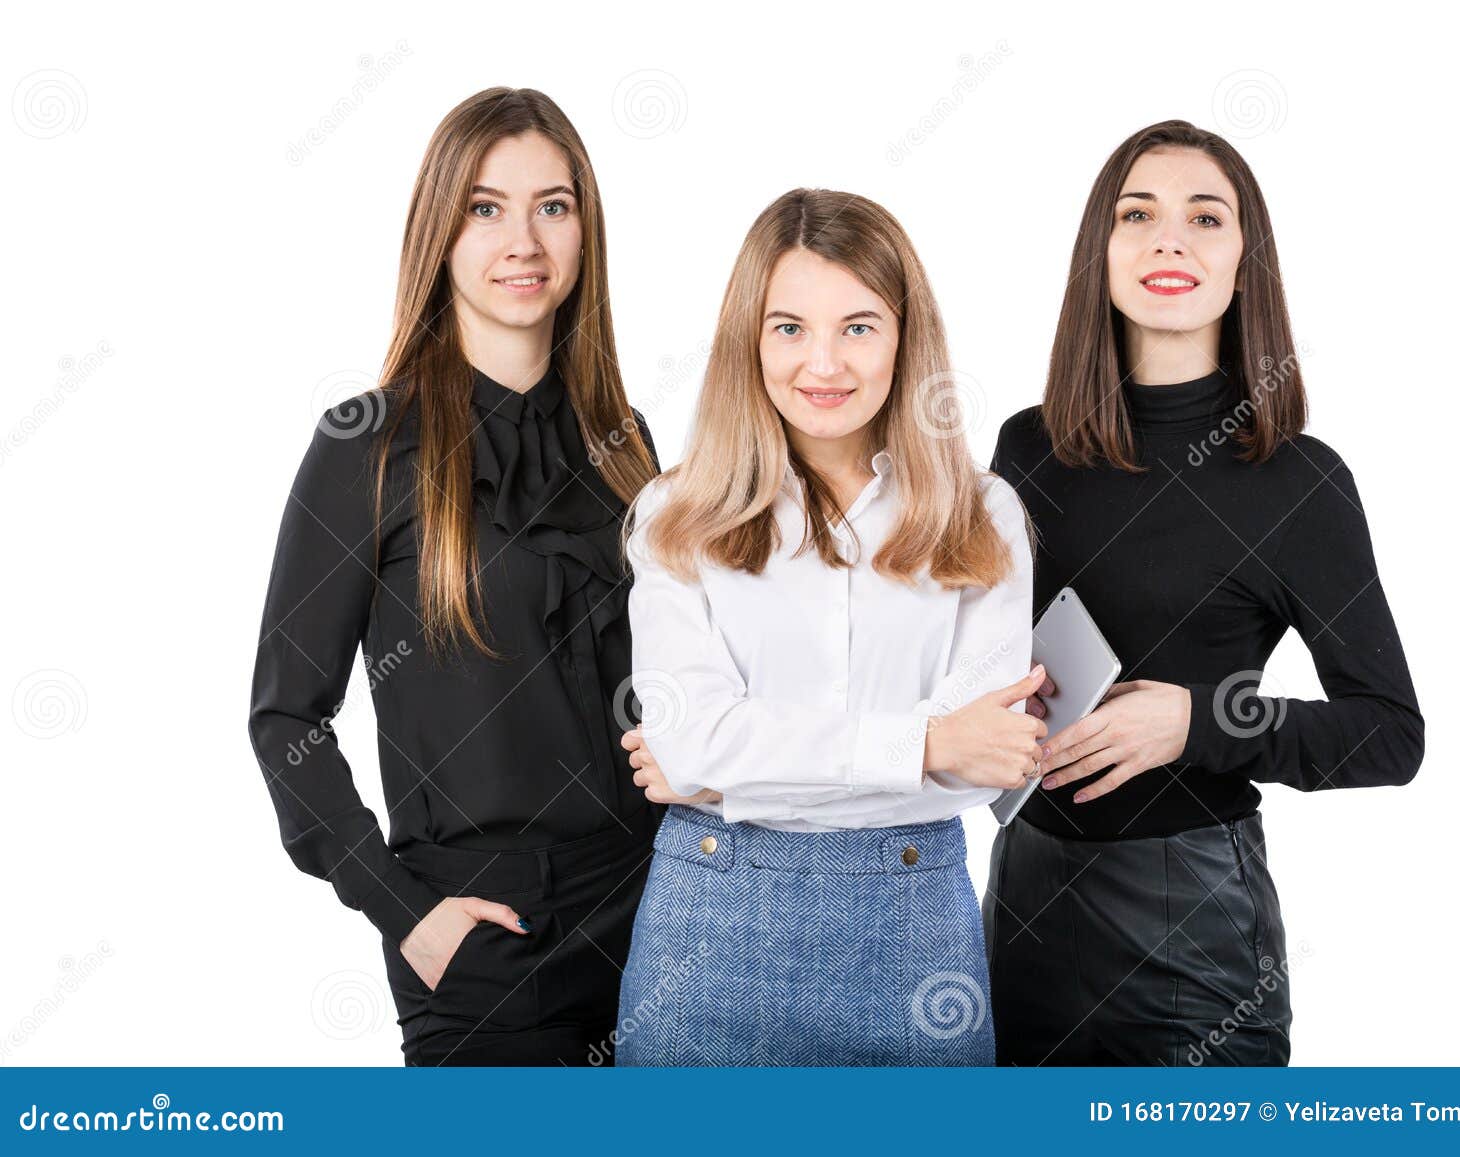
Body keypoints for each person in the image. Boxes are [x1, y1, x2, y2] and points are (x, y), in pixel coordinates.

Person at [984, 120, 1425, 1066]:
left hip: (1193, 926)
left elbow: (1391, 732)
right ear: (1098, 252)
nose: (1168, 238)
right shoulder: (1026, 450)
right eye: (1137, 213)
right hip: (1021, 905)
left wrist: (1199, 723)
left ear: (1243, 262)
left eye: (1205, 217)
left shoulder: (1299, 481)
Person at [247, 88, 661, 1065]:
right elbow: (285, 716)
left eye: (551, 206)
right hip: (478, 933)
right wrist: (406, 912)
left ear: (583, 230)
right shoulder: (365, 443)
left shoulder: (624, 441)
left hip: (658, 912)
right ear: (440, 230)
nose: (522, 239)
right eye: (486, 207)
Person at [613, 188, 1042, 1066]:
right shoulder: (675, 512)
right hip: (707, 935)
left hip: (916, 936)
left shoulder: (983, 514)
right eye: (788, 327)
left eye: (858, 326)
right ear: (749, 339)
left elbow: (981, 767)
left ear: (903, 336)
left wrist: (730, 778)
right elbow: (691, 739)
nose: (824, 363)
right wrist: (922, 744)